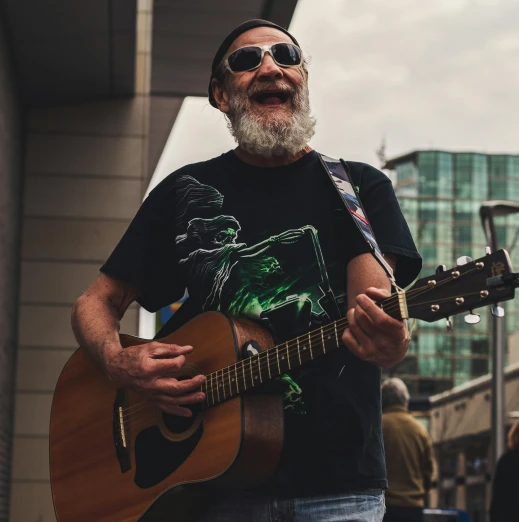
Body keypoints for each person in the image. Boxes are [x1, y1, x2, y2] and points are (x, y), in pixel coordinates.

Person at [70, 18, 421, 522]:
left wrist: (392, 342)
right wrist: (114, 360)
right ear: (219, 93)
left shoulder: (360, 189)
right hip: (206, 488)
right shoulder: (184, 193)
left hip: (339, 487)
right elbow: (95, 302)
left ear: (302, 79)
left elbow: (375, 319)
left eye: (285, 55)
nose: (270, 67)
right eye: (246, 60)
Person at [380, 378, 436, 522]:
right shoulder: (419, 430)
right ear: (405, 400)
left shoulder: (378, 426)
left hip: (385, 507)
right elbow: (428, 471)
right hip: (413, 508)